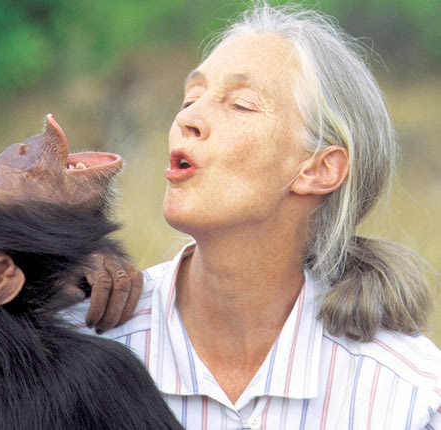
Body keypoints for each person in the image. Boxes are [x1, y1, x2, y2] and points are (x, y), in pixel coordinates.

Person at [68, 3, 441, 428]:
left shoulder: (411, 399)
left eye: (241, 105)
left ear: (319, 169)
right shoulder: (74, 343)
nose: (187, 117)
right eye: (191, 97)